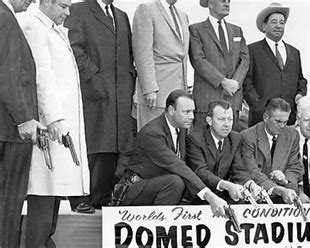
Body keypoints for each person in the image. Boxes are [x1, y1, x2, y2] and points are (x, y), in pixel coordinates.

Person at [18, 0, 91, 246]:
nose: (68, 12)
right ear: (46, 2)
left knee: (55, 188)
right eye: (63, 6)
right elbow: (42, 75)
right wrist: (54, 118)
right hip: (49, 126)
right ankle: (38, 243)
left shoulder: (51, 28)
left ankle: (45, 241)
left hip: (61, 127)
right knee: (43, 189)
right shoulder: (33, 26)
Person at [64, 0, 137, 212]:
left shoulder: (121, 15)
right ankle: (81, 198)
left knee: (112, 147)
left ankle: (102, 197)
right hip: (92, 94)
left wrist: (129, 79)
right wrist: (94, 76)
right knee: (91, 144)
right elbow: (73, 48)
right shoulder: (78, 10)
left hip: (119, 95)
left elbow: (128, 56)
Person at [117, 90, 228, 217]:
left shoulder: (180, 129)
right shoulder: (152, 133)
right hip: (134, 190)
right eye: (186, 112)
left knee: (187, 183)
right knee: (175, 182)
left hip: (158, 186)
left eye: (193, 111)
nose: (192, 116)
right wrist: (210, 196)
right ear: (171, 110)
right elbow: (177, 166)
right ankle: (157, 231)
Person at [0, 0, 44, 246]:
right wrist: (24, 118)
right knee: (7, 209)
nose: (32, 1)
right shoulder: (4, 17)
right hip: (8, 131)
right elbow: (8, 75)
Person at [243, 2, 307, 127]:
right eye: (274, 22)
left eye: (282, 22)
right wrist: (259, 107)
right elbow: (246, 82)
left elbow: (301, 80)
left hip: (289, 120)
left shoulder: (294, 52)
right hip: (261, 120)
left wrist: (300, 94)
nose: (278, 26)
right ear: (264, 26)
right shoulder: (251, 50)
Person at [189, 0, 249, 131]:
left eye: (228, 1)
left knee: (230, 145)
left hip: (233, 100)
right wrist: (223, 81)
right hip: (207, 100)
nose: (227, 4)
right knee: (203, 145)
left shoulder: (237, 30)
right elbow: (198, 60)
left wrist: (235, 83)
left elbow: (245, 60)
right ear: (210, 4)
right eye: (222, 1)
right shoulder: (196, 30)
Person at [186, 100, 261, 203]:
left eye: (230, 119)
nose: (227, 124)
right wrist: (226, 185)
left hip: (224, 196)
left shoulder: (235, 138)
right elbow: (201, 172)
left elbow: (238, 169)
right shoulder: (195, 139)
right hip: (199, 197)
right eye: (221, 119)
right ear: (209, 121)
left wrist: (250, 184)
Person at [132, 0, 190, 130]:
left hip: (178, 93)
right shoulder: (146, 9)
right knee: (153, 139)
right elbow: (142, 52)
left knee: (174, 142)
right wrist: (149, 88)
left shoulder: (182, 15)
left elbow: (183, 56)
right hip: (156, 94)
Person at [241, 98, 303, 204]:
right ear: (266, 117)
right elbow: (252, 171)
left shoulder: (292, 134)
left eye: (285, 122)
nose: (282, 126)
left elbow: (295, 167)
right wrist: (278, 190)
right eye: (278, 121)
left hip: (285, 191)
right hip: (257, 195)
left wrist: (285, 180)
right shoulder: (247, 136)